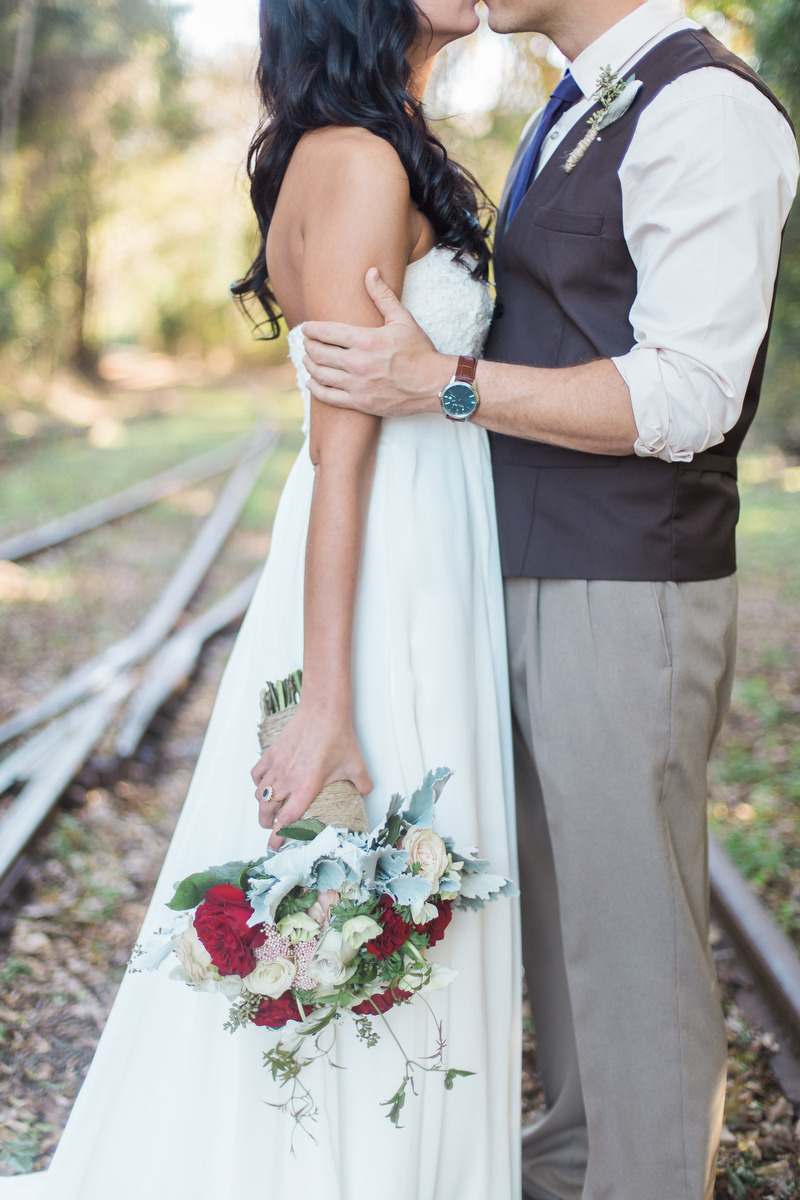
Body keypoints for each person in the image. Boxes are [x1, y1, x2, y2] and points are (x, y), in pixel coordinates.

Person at [301, 0, 800, 1196]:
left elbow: (689, 394)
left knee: (630, 929)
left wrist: (449, 386)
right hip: (522, 567)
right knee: (563, 919)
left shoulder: (704, 108)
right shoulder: (572, 105)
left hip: (622, 579)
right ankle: (576, 1163)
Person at [27, 2, 520, 1198]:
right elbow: (339, 454)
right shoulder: (351, 158)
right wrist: (327, 703)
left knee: (398, 896)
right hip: (386, 573)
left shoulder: (371, 138)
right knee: (374, 866)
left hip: (418, 554)